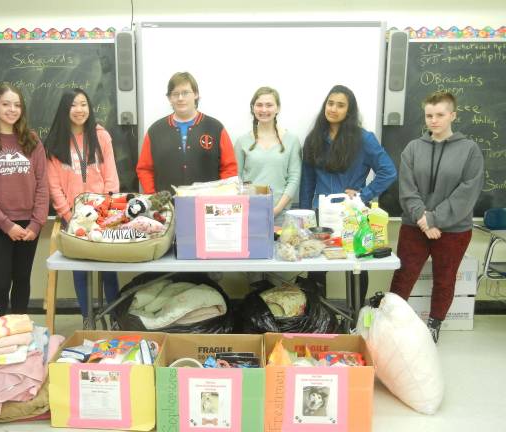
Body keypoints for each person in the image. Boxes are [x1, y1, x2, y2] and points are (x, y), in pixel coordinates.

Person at [389, 91, 484, 343]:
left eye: (440, 115)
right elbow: (407, 189)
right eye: (429, 115)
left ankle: (434, 325)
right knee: (404, 274)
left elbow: (468, 191)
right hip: (414, 226)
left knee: (444, 278)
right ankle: (389, 323)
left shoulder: (469, 150)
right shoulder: (412, 148)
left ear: (452, 115)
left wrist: (434, 219)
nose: (434, 120)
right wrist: (423, 219)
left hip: (453, 230)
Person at [299, 84, 397, 302]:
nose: (333, 109)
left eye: (340, 105)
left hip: (353, 215)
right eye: (330, 103)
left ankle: (357, 316)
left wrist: (364, 195)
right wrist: (305, 217)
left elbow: (388, 171)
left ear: (349, 111)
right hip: (320, 216)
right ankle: (319, 316)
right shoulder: (313, 139)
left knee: (356, 267)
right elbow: (307, 182)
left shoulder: (364, 139)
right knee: (316, 267)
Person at [0, 84, 49, 316]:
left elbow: (43, 184)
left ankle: (20, 333)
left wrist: (36, 223)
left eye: (17, 105)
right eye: (6, 104)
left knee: (22, 281)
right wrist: (6, 225)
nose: (12, 109)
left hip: (29, 225)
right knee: (2, 282)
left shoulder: (32, 140)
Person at [45, 88, 120, 329]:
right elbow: (54, 186)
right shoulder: (56, 142)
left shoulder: (101, 136)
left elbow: (111, 175)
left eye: (84, 104)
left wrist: (107, 209)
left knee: (109, 269)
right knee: (80, 270)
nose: (80, 110)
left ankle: (115, 316)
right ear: (65, 109)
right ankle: (87, 318)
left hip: (104, 215)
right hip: (73, 217)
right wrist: (69, 215)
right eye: (74, 105)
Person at [136, 72, 238, 193]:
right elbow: (144, 169)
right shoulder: (155, 131)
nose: (180, 98)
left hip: (206, 206)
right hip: (166, 206)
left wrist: (222, 196)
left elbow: (229, 168)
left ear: (196, 94)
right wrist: (153, 196)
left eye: (185, 93)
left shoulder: (215, 128)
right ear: (169, 98)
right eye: (175, 94)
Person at [235, 86, 301, 226]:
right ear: (253, 108)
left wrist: (277, 209)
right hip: (250, 214)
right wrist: (248, 208)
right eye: (259, 105)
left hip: (282, 215)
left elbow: (294, 178)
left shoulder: (292, 140)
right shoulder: (242, 142)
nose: (264, 110)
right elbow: (237, 179)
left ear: (278, 108)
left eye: (269, 105)